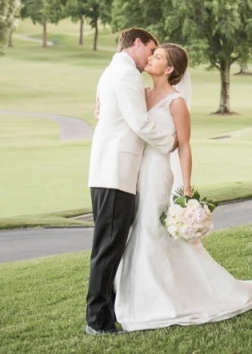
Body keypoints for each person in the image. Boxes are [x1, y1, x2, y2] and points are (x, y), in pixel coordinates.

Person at [114, 43, 252, 331]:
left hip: (156, 172)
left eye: (158, 57)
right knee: (139, 229)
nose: (150, 58)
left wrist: (187, 188)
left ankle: (160, 298)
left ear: (169, 69)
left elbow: (185, 147)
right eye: (151, 54)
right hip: (136, 171)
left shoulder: (176, 102)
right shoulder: (142, 94)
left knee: (152, 230)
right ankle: (139, 292)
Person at [85, 27, 175, 336]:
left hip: (112, 173)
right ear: (136, 43)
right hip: (115, 173)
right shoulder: (125, 76)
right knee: (108, 248)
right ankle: (97, 321)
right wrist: (169, 140)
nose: (151, 56)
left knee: (110, 247)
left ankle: (108, 314)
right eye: (150, 50)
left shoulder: (113, 71)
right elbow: (139, 123)